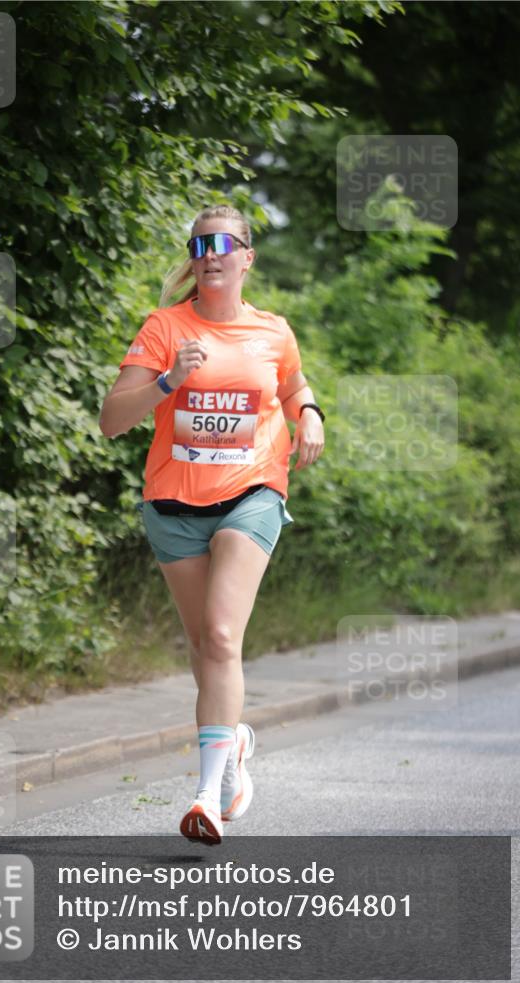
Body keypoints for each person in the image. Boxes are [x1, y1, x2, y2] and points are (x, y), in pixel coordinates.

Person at [99, 204, 325, 845]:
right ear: (194, 259)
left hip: (250, 493)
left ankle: (203, 794)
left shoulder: (273, 331)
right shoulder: (164, 327)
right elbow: (112, 420)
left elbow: (292, 385)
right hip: (172, 505)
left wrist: (310, 413)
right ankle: (235, 756)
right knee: (204, 648)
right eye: (201, 244)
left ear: (247, 257)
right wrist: (168, 381)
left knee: (223, 636)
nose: (212, 252)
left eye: (226, 242)